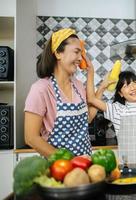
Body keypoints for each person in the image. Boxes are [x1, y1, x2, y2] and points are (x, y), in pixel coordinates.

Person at [24, 28, 99, 157]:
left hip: (85, 166)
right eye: (76, 52)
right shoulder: (41, 89)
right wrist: (68, 162)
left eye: (81, 54)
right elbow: (31, 137)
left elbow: (88, 118)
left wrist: (98, 81)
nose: (80, 59)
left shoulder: (78, 86)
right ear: (58, 53)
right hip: (58, 169)